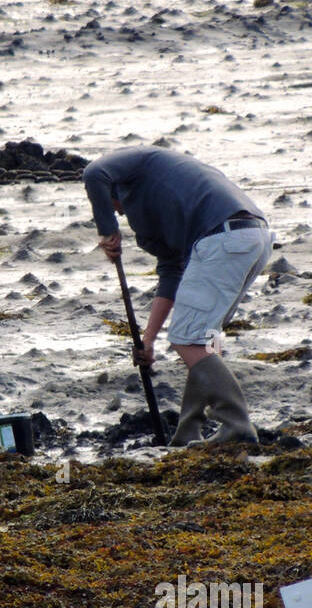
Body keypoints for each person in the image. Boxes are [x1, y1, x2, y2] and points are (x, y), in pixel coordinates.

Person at [83, 147, 273, 445]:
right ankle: (188, 430)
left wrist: (106, 230)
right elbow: (171, 271)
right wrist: (148, 338)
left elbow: (93, 173)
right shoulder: (151, 208)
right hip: (253, 237)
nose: (116, 211)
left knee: (187, 339)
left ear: (112, 188)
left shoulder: (141, 164)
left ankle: (237, 424)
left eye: (110, 205)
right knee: (205, 338)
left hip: (223, 236)